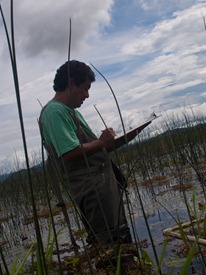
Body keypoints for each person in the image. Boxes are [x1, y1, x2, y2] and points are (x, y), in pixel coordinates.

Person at [40, 60, 149, 245]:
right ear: (72, 82)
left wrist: (118, 139)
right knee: (108, 244)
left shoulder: (71, 112)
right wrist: (101, 141)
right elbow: (69, 153)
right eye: (85, 88)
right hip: (93, 192)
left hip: (103, 188)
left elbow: (93, 150)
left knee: (120, 238)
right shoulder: (54, 112)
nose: (87, 95)